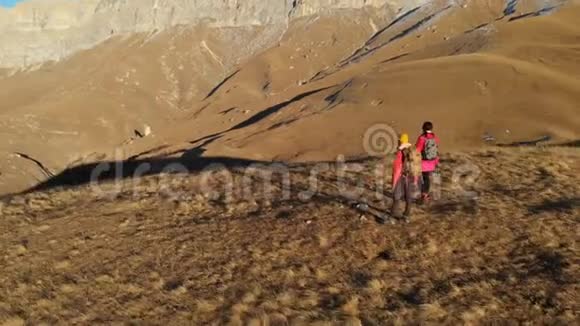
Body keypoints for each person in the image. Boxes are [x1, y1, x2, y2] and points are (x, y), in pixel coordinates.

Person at [391, 133, 422, 220]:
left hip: (402, 177)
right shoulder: (413, 150)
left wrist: (394, 182)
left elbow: (397, 169)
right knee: (409, 197)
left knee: (396, 197)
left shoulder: (400, 152)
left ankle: (392, 216)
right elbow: (417, 165)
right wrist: (416, 179)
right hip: (412, 176)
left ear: (400, 141)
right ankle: (406, 216)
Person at [416, 121, 440, 203]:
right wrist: (436, 162)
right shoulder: (435, 137)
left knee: (423, 179)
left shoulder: (422, 138)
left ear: (423, 128)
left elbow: (418, 150)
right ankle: (426, 194)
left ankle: (423, 196)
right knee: (427, 179)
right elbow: (436, 150)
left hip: (423, 162)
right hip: (432, 162)